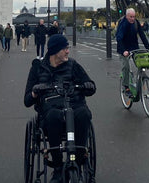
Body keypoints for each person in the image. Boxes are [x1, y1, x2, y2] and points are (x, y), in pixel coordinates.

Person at [24, 34, 96, 182]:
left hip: (74, 105)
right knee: (53, 116)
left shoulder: (73, 65)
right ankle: (57, 166)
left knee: (84, 114)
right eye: (65, 49)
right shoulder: (37, 68)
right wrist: (35, 91)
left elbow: (90, 86)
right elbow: (27, 100)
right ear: (55, 51)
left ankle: (80, 158)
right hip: (51, 109)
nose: (68, 51)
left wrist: (88, 86)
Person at [116, 8, 149, 91]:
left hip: (134, 48)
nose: (132, 19)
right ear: (126, 16)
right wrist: (124, 51)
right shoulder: (123, 24)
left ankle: (141, 81)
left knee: (141, 64)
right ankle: (126, 87)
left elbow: (142, 35)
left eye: (134, 17)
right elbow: (119, 38)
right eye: (131, 17)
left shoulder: (136, 23)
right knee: (126, 66)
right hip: (124, 49)